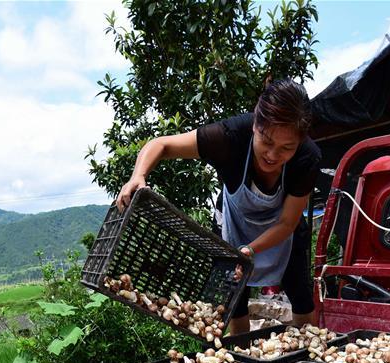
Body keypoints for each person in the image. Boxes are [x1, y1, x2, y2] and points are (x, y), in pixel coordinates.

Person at [116, 78, 321, 335]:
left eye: (286, 148)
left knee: (300, 293)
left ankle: (309, 346)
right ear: (255, 125)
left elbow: (287, 223)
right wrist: (138, 175)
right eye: (266, 141)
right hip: (233, 224)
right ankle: (241, 351)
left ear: (299, 142)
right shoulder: (229, 137)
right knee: (234, 299)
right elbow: (161, 145)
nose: (272, 155)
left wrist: (251, 249)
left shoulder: (307, 157)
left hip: (281, 230)